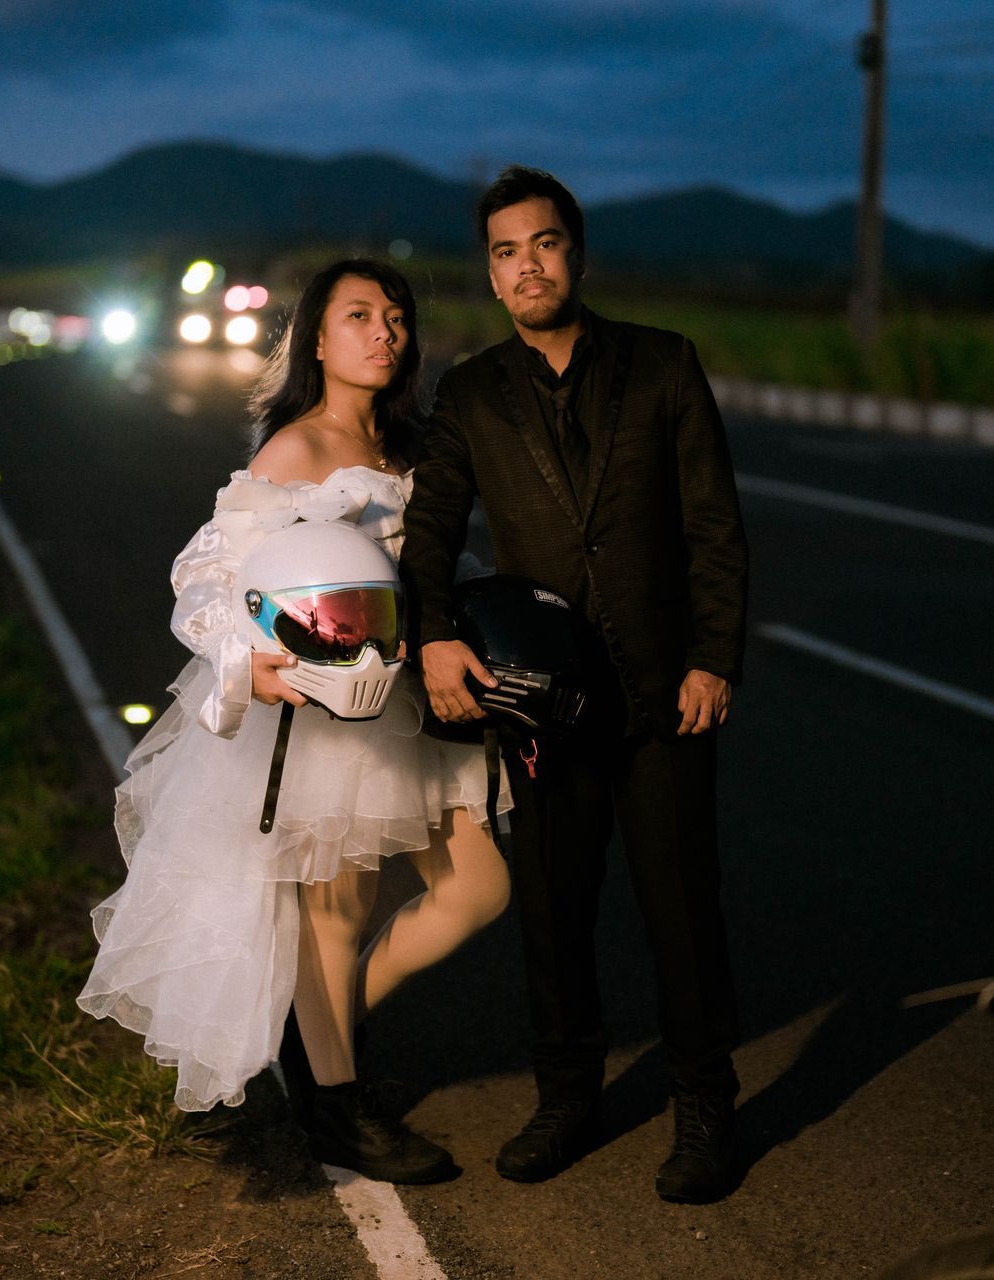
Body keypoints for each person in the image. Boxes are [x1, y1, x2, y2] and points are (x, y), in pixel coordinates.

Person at [78, 258, 511, 1185]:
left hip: (409, 705)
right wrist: (250, 665)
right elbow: (205, 579)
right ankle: (336, 1107)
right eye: (359, 315)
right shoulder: (295, 450)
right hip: (325, 722)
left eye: (395, 316)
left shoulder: (410, 447)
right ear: (316, 337)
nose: (384, 331)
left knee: (478, 890)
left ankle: (320, 1044)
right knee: (336, 913)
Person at [400, 166, 749, 1204]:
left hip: (663, 693)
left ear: (577, 254)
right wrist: (432, 637)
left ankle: (705, 1109)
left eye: (543, 244)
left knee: (682, 913)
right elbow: (430, 530)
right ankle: (567, 1100)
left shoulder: (664, 363)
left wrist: (714, 656)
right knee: (553, 915)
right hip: (541, 700)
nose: (527, 266)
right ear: (491, 273)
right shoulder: (471, 392)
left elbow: (714, 525)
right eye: (506, 252)